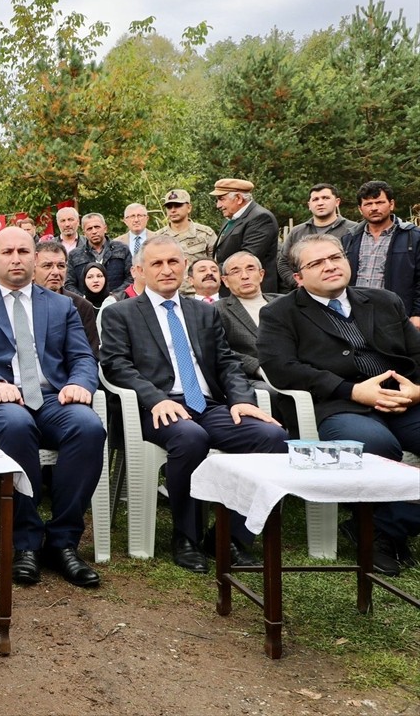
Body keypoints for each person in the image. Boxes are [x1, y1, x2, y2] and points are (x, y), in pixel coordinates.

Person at [99, 235, 288, 573]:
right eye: (157, 263)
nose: (166, 269)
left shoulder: (204, 312)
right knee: (190, 437)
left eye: (173, 261)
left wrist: (242, 400)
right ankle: (186, 536)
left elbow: (227, 362)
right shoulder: (121, 313)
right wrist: (155, 399)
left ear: (185, 266)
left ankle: (230, 536)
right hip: (156, 408)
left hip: (206, 405)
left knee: (272, 437)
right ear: (141, 270)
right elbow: (116, 365)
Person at [0, 227, 105, 587]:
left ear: (35, 258)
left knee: (89, 427)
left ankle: (63, 542)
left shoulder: (61, 305)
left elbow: (83, 357)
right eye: (7, 252)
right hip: (0, 399)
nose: (16, 258)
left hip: (53, 397)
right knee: (17, 425)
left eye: (23, 251)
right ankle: (26, 542)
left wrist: (80, 384)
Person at [259, 234, 420, 575]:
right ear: (298, 277)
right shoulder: (279, 313)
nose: (330, 266)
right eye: (316, 263)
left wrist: (417, 391)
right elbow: (280, 367)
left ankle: (387, 526)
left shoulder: (384, 300)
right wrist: (351, 390)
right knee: (376, 446)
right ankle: (379, 533)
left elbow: (417, 352)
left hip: (403, 399)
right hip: (338, 405)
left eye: (335, 257)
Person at [341, 180, 420, 328]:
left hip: (396, 315)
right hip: (357, 315)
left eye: (379, 202)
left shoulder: (412, 236)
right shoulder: (349, 238)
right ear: (360, 209)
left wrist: (418, 313)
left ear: (391, 204)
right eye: (368, 204)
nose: (374, 208)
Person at [215, 252, 282, 382]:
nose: (245, 276)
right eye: (235, 272)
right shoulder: (217, 310)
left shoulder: (284, 302)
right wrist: (258, 368)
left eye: (250, 269)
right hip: (253, 378)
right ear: (225, 281)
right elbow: (220, 350)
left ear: (261, 274)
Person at [276, 184, 354, 291]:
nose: (320, 203)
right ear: (309, 205)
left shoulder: (353, 230)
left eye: (325, 198)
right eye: (315, 199)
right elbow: (283, 262)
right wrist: (298, 284)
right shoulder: (297, 232)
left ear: (337, 202)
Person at [212, 178, 279, 296]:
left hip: (253, 293)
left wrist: (210, 272)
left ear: (238, 198)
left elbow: (246, 258)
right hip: (233, 291)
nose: (218, 205)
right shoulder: (231, 218)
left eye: (221, 199)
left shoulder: (261, 218)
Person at [33, 240, 100, 356]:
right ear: (32, 270)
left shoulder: (81, 306)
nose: (55, 272)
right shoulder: (22, 303)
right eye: (47, 266)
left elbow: (91, 354)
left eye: (61, 266)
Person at [154, 188, 217, 297]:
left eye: (178, 206)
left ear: (189, 208)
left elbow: (216, 265)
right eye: (169, 207)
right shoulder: (158, 238)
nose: (173, 210)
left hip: (199, 295)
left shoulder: (205, 234)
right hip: (170, 295)